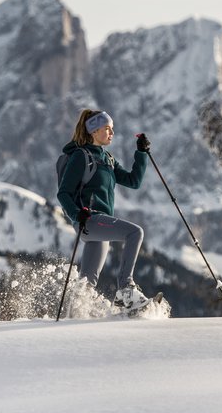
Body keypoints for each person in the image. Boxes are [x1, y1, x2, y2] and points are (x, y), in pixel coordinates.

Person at [57, 109, 152, 310]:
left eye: (112, 129)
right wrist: (77, 214)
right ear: (93, 131)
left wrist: (141, 153)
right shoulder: (80, 156)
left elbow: (133, 181)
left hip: (99, 223)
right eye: (107, 128)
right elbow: (63, 193)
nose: (112, 133)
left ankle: (76, 312)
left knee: (86, 284)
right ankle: (126, 289)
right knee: (135, 232)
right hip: (89, 220)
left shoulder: (107, 158)